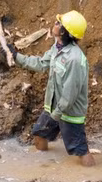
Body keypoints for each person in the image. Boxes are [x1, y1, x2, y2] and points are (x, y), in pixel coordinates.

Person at [10, 10, 94, 166]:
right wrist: (16, 56)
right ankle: (44, 165)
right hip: (53, 107)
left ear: (64, 31)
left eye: (58, 23)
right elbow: (41, 63)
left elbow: (70, 95)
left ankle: (93, 174)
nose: (55, 23)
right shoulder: (57, 48)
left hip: (69, 114)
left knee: (80, 150)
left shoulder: (75, 60)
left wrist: (56, 115)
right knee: (39, 134)